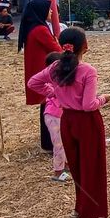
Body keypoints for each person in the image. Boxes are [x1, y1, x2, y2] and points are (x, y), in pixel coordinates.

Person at [27, 27, 110, 218]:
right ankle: (86, 216)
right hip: (87, 122)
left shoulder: (55, 67)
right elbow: (88, 105)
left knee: (77, 167)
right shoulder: (87, 71)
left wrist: (54, 92)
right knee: (91, 168)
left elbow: (32, 82)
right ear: (85, 46)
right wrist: (104, 99)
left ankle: (80, 208)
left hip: (67, 121)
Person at [18, 0, 63, 152]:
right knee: (50, 107)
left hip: (39, 71)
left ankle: (48, 142)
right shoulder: (40, 30)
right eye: (49, 9)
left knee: (47, 106)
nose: (51, 12)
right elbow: (57, 49)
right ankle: (49, 143)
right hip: (45, 74)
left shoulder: (34, 28)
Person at [39, 51, 71, 182]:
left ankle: (66, 165)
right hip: (53, 116)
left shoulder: (60, 81)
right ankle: (58, 172)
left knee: (64, 141)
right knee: (58, 144)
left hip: (58, 115)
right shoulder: (53, 83)